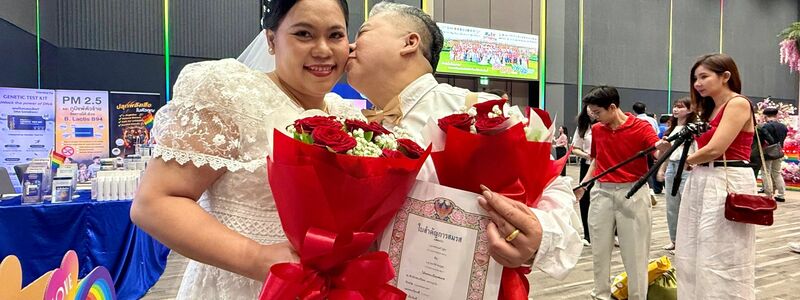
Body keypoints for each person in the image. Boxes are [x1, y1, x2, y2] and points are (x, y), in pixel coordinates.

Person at [130, 1, 365, 298]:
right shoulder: (230, 94)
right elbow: (154, 203)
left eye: (335, 35)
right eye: (304, 34)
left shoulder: (349, 118)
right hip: (241, 284)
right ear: (271, 40)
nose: (322, 49)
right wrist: (255, 257)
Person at [346, 1, 582, 282]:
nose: (349, 46)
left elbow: (555, 195)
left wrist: (536, 233)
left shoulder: (479, 111)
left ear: (409, 42)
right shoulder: (352, 128)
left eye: (362, 33)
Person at [575, 86, 670, 300]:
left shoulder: (640, 126)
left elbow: (655, 149)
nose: (595, 117)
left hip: (633, 192)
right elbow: (597, 161)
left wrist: (663, 147)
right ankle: (600, 295)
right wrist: (583, 186)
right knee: (599, 250)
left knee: (635, 253)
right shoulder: (598, 130)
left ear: (612, 107)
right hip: (602, 192)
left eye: (597, 112)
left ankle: (638, 297)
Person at [676, 53, 757, 299]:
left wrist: (686, 161)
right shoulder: (709, 109)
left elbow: (715, 149)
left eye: (704, 77)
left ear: (725, 77)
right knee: (693, 249)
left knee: (724, 252)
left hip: (727, 180)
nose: (697, 83)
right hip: (704, 178)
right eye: (695, 78)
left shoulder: (738, 103)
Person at [655, 97, 697, 253]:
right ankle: (674, 240)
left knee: (686, 206)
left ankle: (686, 243)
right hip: (672, 166)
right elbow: (666, 152)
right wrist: (661, 169)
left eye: (680, 107)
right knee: (672, 206)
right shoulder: (671, 128)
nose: (676, 109)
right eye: (675, 106)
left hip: (687, 167)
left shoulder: (693, 128)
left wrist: (692, 163)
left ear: (690, 110)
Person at [572, 105, 596, 246]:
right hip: (587, 164)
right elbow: (574, 148)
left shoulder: (606, 124)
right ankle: (588, 234)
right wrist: (587, 155)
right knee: (585, 199)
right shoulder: (583, 126)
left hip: (605, 166)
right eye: (589, 107)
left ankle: (613, 233)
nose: (592, 111)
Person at [761, 107, 788, 202]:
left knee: (766, 172)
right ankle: (781, 194)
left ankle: (769, 194)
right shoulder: (783, 126)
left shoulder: (764, 126)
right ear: (776, 115)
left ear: (765, 116)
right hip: (779, 152)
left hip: (767, 152)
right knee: (777, 173)